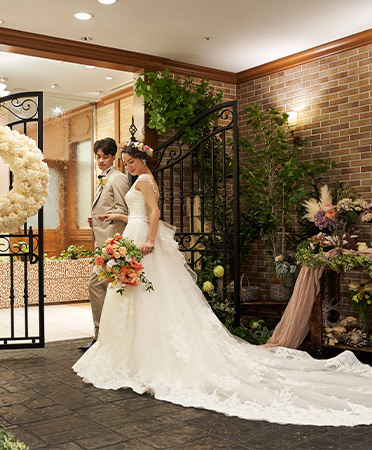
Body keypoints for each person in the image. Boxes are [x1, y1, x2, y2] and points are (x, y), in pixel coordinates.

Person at [73, 140, 372, 426]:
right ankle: (133, 351)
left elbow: (155, 213)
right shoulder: (144, 179)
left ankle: (141, 355)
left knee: (143, 293)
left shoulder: (143, 181)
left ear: (142, 160)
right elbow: (139, 215)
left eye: (131, 162)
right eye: (126, 163)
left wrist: (150, 240)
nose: (128, 166)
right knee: (136, 293)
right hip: (135, 232)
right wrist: (117, 215)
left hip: (143, 240)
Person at [78, 137, 129, 351]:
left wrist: (108, 219)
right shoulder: (104, 178)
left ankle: (102, 338)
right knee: (107, 289)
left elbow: (123, 210)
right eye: (97, 157)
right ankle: (104, 337)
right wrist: (97, 218)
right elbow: (108, 208)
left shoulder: (118, 178)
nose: (100, 161)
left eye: (105, 157)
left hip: (112, 244)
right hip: (103, 242)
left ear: (113, 157)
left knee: (97, 286)